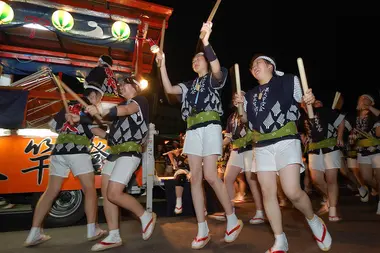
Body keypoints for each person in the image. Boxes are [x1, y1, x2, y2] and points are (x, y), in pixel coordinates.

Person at [155, 21, 243, 249]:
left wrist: (206, 42)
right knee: (195, 177)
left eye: (199, 58)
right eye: (193, 60)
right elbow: (169, 89)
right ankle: (202, 228)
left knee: (211, 176)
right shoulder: (188, 84)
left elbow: (216, 66)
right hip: (192, 130)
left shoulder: (215, 78)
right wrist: (162, 66)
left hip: (211, 125)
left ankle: (232, 219)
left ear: (206, 59)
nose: (195, 61)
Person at [234, 54, 332, 253]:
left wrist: (309, 100)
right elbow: (246, 122)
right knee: (268, 193)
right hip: (261, 145)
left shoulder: (288, 81)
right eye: (252, 66)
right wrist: (240, 107)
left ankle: (313, 220)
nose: (254, 67)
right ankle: (280, 240)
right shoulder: (251, 94)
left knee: (292, 191)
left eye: (258, 63)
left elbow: (304, 102)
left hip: (286, 140)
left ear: (270, 66)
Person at [77, 77, 156, 251]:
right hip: (114, 153)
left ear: (135, 86)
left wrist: (101, 107)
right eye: (119, 85)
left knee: (113, 193)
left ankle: (145, 216)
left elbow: (126, 109)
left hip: (129, 151)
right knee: (106, 193)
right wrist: (82, 118)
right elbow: (104, 129)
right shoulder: (119, 108)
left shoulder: (139, 101)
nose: (120, 87)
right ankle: (114, 235)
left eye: (124, 84)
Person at [24, 83, 107, 247]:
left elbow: (53, 127)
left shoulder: (67, 106)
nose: (98, 102)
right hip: (78, 151)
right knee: (89, 189)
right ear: (95, 96)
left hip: (59, 151)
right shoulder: (88, 108)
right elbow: (97, 130)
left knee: (50, 191)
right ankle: (92, 229)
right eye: (99, 99)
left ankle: (34, 232)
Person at [301, 100, 345, 221]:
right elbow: (298, 129)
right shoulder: (302, 116)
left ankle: (333, 210)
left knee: (331, 179)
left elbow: (341, 120)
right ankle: (330, 199)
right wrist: (302, 137)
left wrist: (340, 137)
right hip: (314, 149)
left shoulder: (323, 111)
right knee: (316, 180)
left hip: (330, 147)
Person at [222, 108, 265, 224]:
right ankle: (230, 211)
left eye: (240, 96)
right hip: (236, 149)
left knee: (251, 180)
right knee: (228, 178)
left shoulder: (250, 111)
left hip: (250, 148)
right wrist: (218, 144)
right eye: (235, 97)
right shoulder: (231, 117)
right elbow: (229, 137)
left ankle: (260, 212)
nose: (237, 99)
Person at [349, 94, 380, 214]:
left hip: (376, 150)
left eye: (366, 98)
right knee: (366, 177)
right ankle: (377, 189)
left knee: (379, 177)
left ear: (372, 103)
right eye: (361, 98)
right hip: (362, 151)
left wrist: (370, 108)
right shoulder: (355, 117)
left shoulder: (375, 115)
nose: (363, 100)